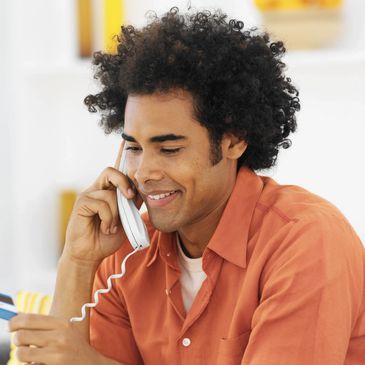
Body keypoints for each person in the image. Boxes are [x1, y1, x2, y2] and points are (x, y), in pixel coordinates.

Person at [9, 7, 365, 365]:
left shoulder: (306, 240)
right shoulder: (124, 253)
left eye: (169, 149)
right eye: (133, 147)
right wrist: (78, 259)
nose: (144, 172)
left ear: (233, 140)